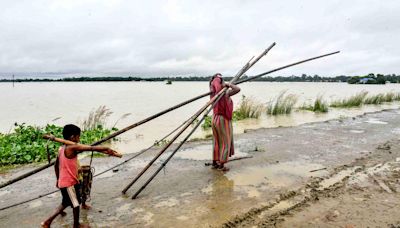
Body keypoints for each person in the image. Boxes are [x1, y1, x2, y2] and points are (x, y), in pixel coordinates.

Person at [41, 124, 120, 228]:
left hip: (64, 182)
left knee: (65, 203)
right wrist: (106, 148)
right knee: (76, 203)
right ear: (72, 137)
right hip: (69, 183)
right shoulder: (72, 147)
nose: (79, 139)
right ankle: (76, 225)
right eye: (78, 136)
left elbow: (56, 166)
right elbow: (91, 148)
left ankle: (48, 222)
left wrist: (58, 179)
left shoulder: (61, 148)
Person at [209, 73, 240, 171]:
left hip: (214, 118)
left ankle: (215, 162)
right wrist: (229, 84)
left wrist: (225, 85)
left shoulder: (213, 94)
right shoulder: (225, 93)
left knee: (217, 141)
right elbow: (237, 89)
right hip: (223, 120)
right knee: (225, 142)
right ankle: (221, 165)